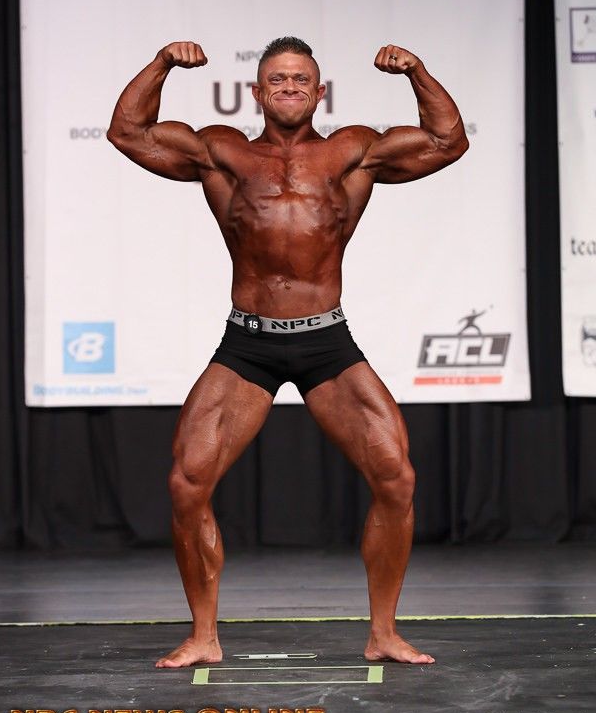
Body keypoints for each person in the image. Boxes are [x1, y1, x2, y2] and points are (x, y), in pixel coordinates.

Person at [107, 36, 468, 668]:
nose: (290, 88)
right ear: (257, 92)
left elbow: (447, 141)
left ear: (319, 91)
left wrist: (416, 70)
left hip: (325, 340)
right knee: (188, 481)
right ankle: (204, 636)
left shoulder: (352, 153)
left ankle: (383, 632)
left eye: (301, 79)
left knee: (396, 477)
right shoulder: (223, 153)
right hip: (249, 343)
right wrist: (162, 64)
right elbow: (128, 133)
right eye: (278, 79)